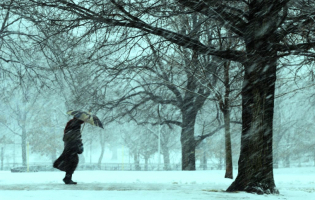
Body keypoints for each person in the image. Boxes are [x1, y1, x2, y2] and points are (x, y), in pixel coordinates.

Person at [53, 117, 84, 184]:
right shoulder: (76, 125)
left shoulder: (71, 125)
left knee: (70, 162)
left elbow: (67, 137)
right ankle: (67, 178)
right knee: (72, 163)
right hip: (72, 147)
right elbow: (75, 136)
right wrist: (79, 140)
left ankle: (67, 178)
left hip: (69, 147)